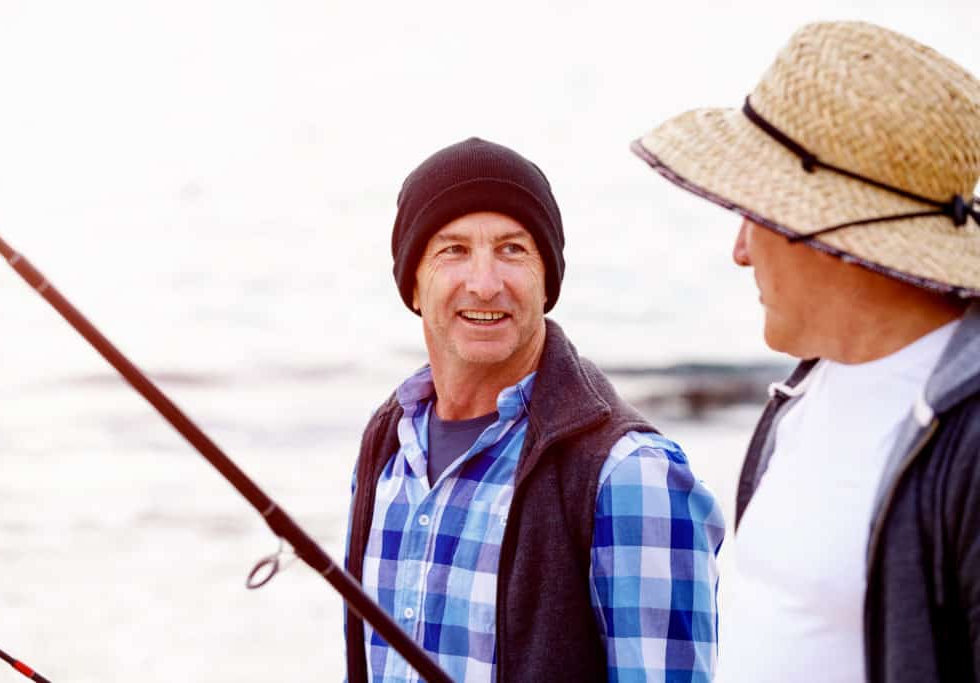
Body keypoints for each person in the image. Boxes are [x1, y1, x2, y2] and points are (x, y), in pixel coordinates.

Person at [630, 21, 980, 683]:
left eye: (758, 213)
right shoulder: (799, 398)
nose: (738, 251)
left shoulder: (968, 438)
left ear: (835, 230)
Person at [344, 137, 724, 682]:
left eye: (512, 249)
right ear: (413, 286)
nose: (484, 283)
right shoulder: (387, 446)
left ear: (548, 283)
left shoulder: (632, 476)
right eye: (452, 250)